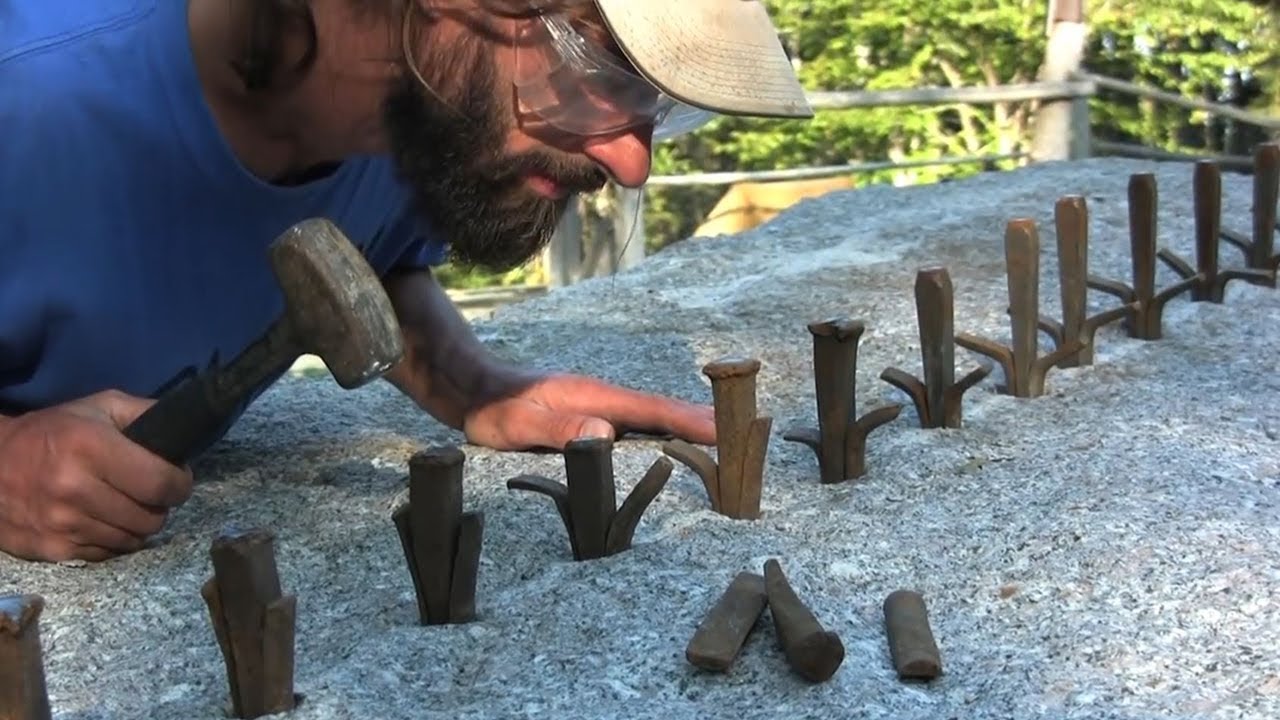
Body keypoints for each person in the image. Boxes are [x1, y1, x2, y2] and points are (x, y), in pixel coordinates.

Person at [0, 0, 812, 563]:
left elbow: (370, 257)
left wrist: (472, 384)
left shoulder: (416, 105)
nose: (631, 161)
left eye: (658, 105)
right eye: (607, 72)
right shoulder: (30, 98)